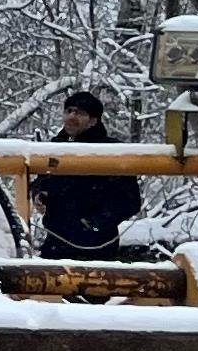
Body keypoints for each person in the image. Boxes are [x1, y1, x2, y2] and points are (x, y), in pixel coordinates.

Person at [29, 88, 143, 261]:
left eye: (80, 113)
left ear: (93, 121)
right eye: (69, 111)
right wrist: (39, 193)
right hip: (55, 243)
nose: (72, 116)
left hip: (97, 247)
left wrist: (94, 224)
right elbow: (42, 180)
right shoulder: (54, 148)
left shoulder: (111, 152)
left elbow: (130, 201)